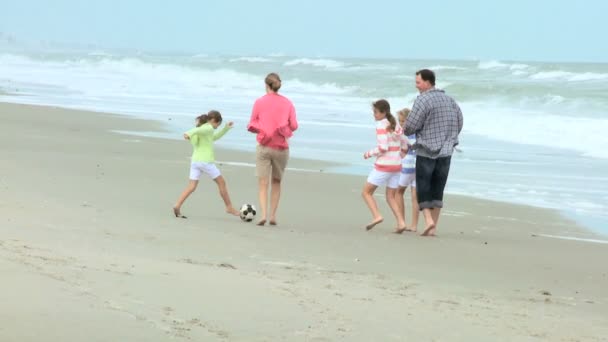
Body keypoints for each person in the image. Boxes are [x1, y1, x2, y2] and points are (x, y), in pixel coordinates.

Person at [404, 69, 463, 236]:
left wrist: (406, 131)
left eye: (418, 82)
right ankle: (433, 228)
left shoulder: (422, 100)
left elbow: (411, 125)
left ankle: (428, 221)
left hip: (426, 150)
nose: (416, 85)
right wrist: (450, 138)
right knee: (438, 189)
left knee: (423, 188)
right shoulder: (449, 99)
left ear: (428, 82)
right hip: (446, 151)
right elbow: (459, 120)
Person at [247, 73, 298, 226]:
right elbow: (294, 126)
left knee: (263, 183)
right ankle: (273, 216)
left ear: (266, 85)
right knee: (276, 182)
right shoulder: (288, 103)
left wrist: (263, 129)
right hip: (281, 148)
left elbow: (252, 123)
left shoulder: (259, 102)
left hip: (264, 146)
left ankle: (263, 215)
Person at [173, 111, 240, 219]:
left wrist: (226, 128)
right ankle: (229, 207)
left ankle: (177, 205)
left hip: (195, 161)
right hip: (205, 162)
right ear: (213, 121)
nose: (216, 128)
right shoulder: (207, 128)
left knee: (192, 186)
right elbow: (197, 130)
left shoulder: (205, 130)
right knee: (221, 182)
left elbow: (213, 138)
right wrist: (187, 133)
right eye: (217, 125)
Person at [362, 99, 409, 233]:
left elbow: (383, 147)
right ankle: (401, 223)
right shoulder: (396, 125)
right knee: (390, 196)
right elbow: (405, 144)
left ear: (383, 112)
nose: (374, 115)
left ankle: (377, 216)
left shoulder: (381, 125)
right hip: (397, 166)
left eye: (376, 112)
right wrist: (399, 157)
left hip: (384, 166)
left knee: (366, 192)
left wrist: (369, 153)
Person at [396, 108, 420, 232]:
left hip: (408, 165)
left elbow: (404, 149)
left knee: (398, 192)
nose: (401, 123)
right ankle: (414, 225)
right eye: (399, 121)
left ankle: (402, 222)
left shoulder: (405, 133)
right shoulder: (418, 132)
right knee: (415, 195)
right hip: (419, 164)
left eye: (403, 121)